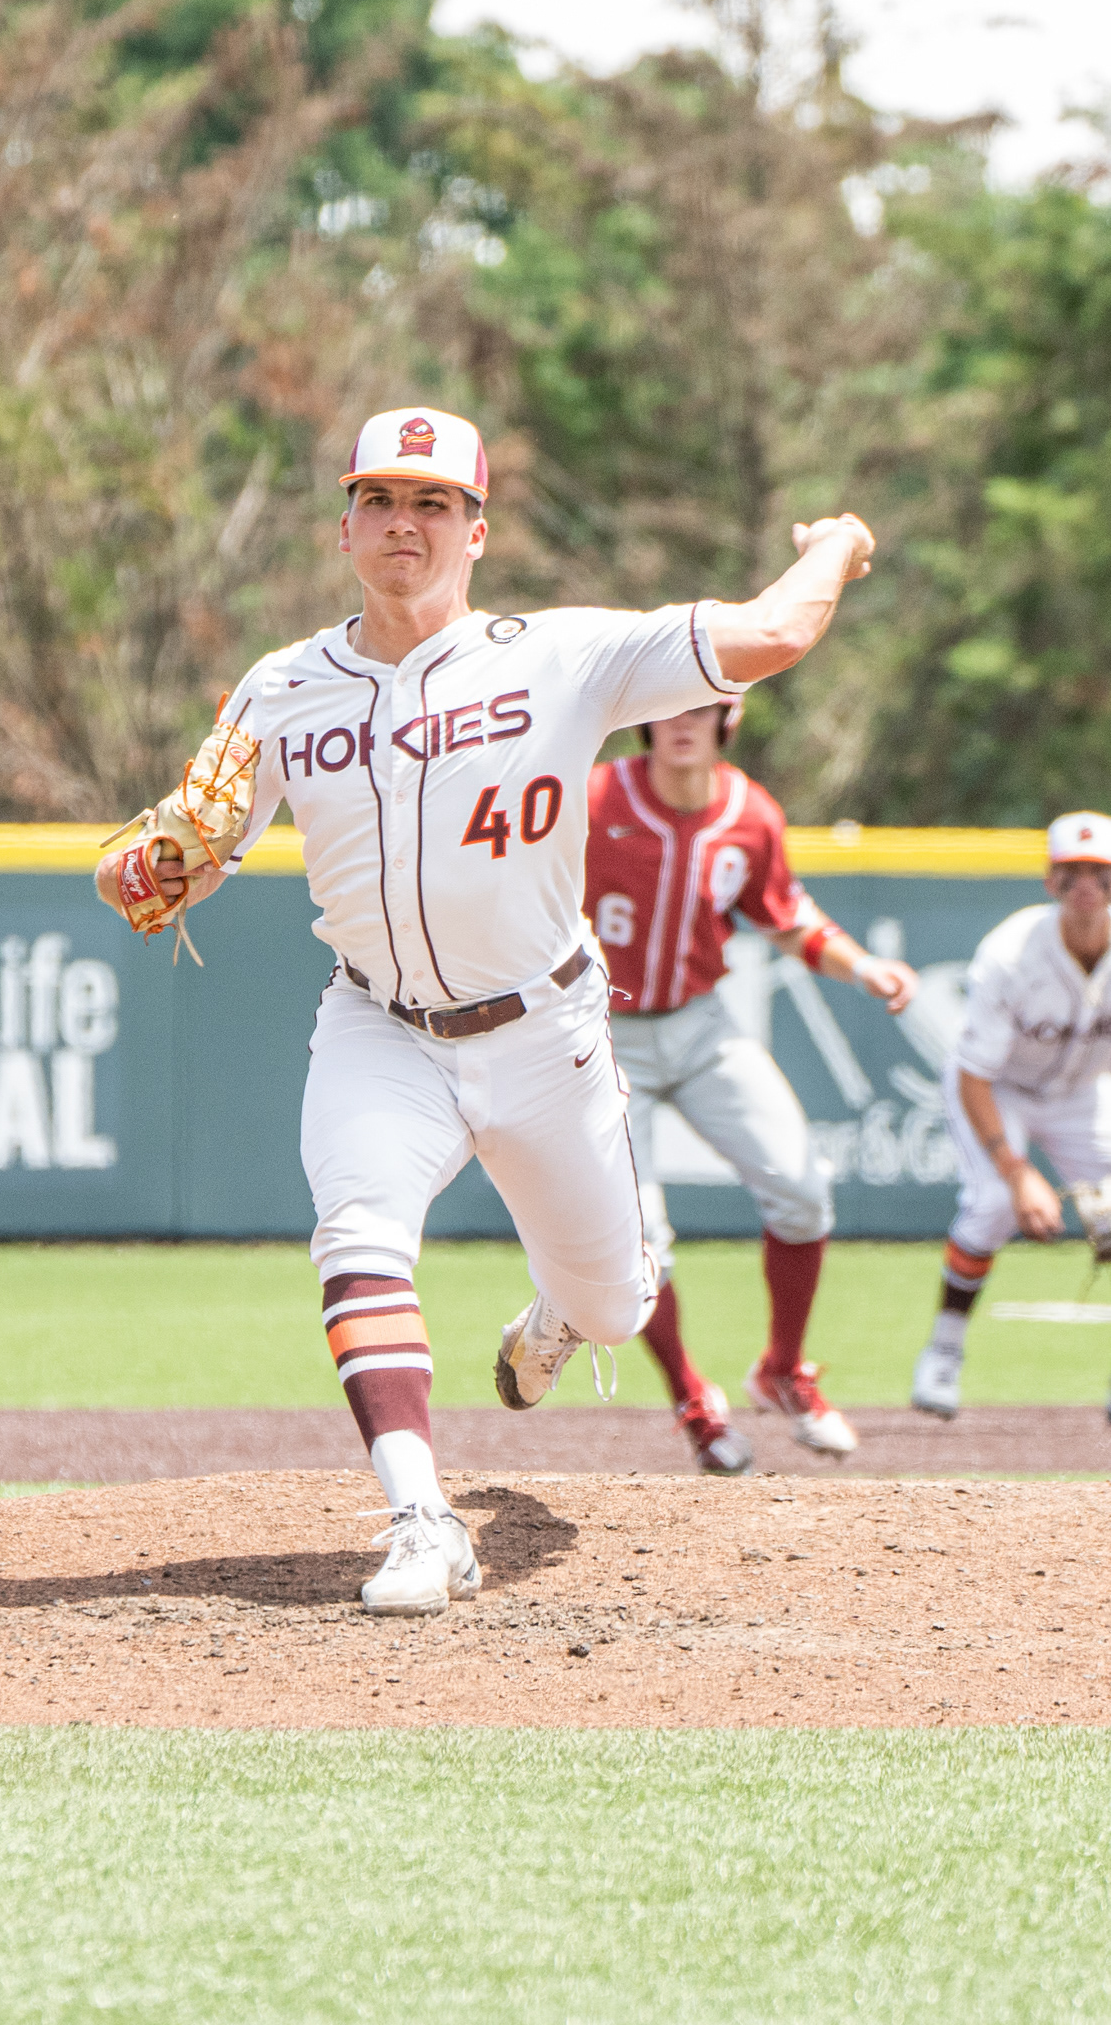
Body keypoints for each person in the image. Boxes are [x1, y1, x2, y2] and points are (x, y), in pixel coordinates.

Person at [97, 403, 875, 1614]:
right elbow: (169, 852)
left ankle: (561, 1311)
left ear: (478, 530)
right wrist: (140, 868)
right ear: (343, 524)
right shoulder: (284, 687)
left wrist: (835, 544)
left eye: (434, 503)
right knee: (356, 1234)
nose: (404, 523)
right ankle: (420, 1517)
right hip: (378, 1026)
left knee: (622, 1298)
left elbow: (772, 633)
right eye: (381, 500)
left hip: (546, 1031)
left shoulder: (559, 654)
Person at [585, 699, 918, 1470]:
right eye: (667, 705)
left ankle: (780, 1370)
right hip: (600, 1033)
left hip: (702, 1024)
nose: (682, 721)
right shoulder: (595, 797)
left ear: (726, 720)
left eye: (699, 707)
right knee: (637, 1246)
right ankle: (691, 1397)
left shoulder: (749, 811)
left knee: (801, 1188)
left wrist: (862, 966)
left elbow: (788, 917)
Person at [911, 811, 1111, 1420]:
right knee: (995, 1204)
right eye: (1071, 872)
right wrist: (1018, 1171)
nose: (1086, 886)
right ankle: (944, 1351)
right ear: (1049, 881)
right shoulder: (1008, 954)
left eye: (1100, 873)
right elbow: (973, 1075)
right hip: (998, 1089)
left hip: (1083, 1092)